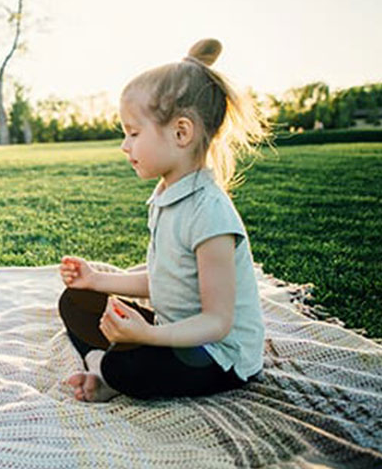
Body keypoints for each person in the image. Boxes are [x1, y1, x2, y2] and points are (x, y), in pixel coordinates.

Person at [58, 38, 267, 402]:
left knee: (135, 367)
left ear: (181, 133)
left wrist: (146, 336)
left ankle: (106, 369)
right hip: (170, 331)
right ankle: (108, 368)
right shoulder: (167, 196)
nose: (125, 146)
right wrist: (96, 279)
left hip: (216, 355)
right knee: (75, 302)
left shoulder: (211, 213)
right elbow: (165, 279)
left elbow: (218, 322)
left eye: (133, 133)